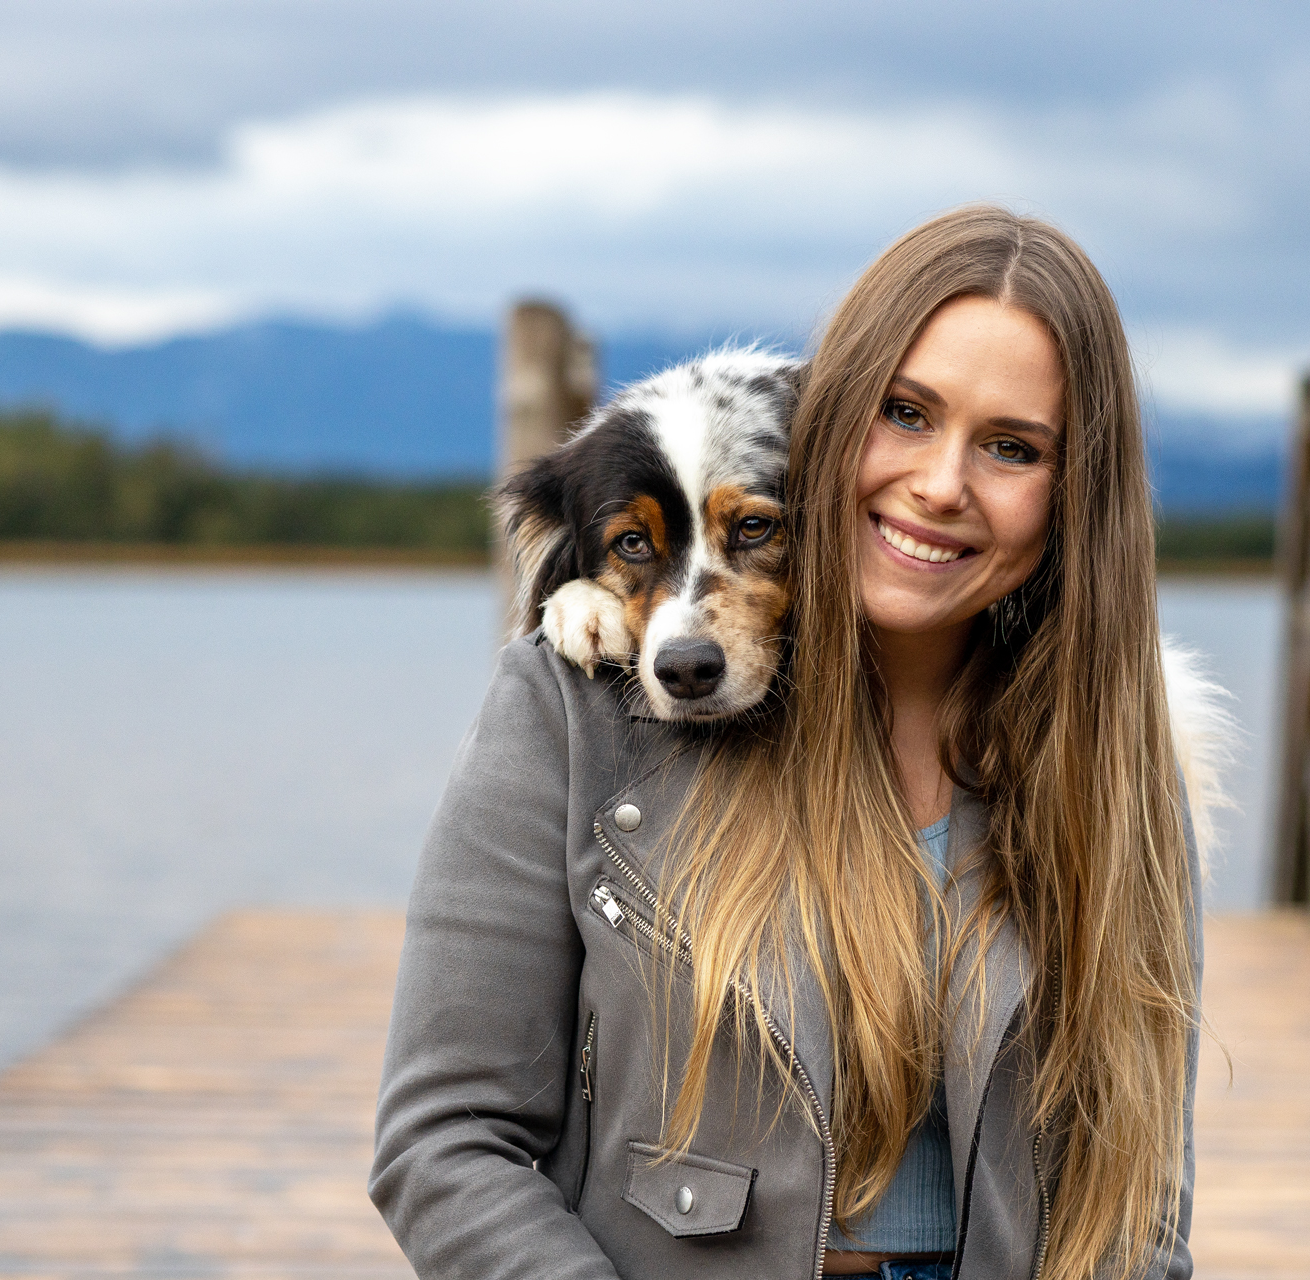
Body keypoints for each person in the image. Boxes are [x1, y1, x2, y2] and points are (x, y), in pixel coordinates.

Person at [371, 205, 1200, 1280]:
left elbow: (1141, 1204)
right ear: (840, 425)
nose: (942, 483)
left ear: (1072, 490)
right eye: (907, 413)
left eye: (1011, 445)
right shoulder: (570, 708)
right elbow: (444, 1139)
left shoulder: (1118, 758)